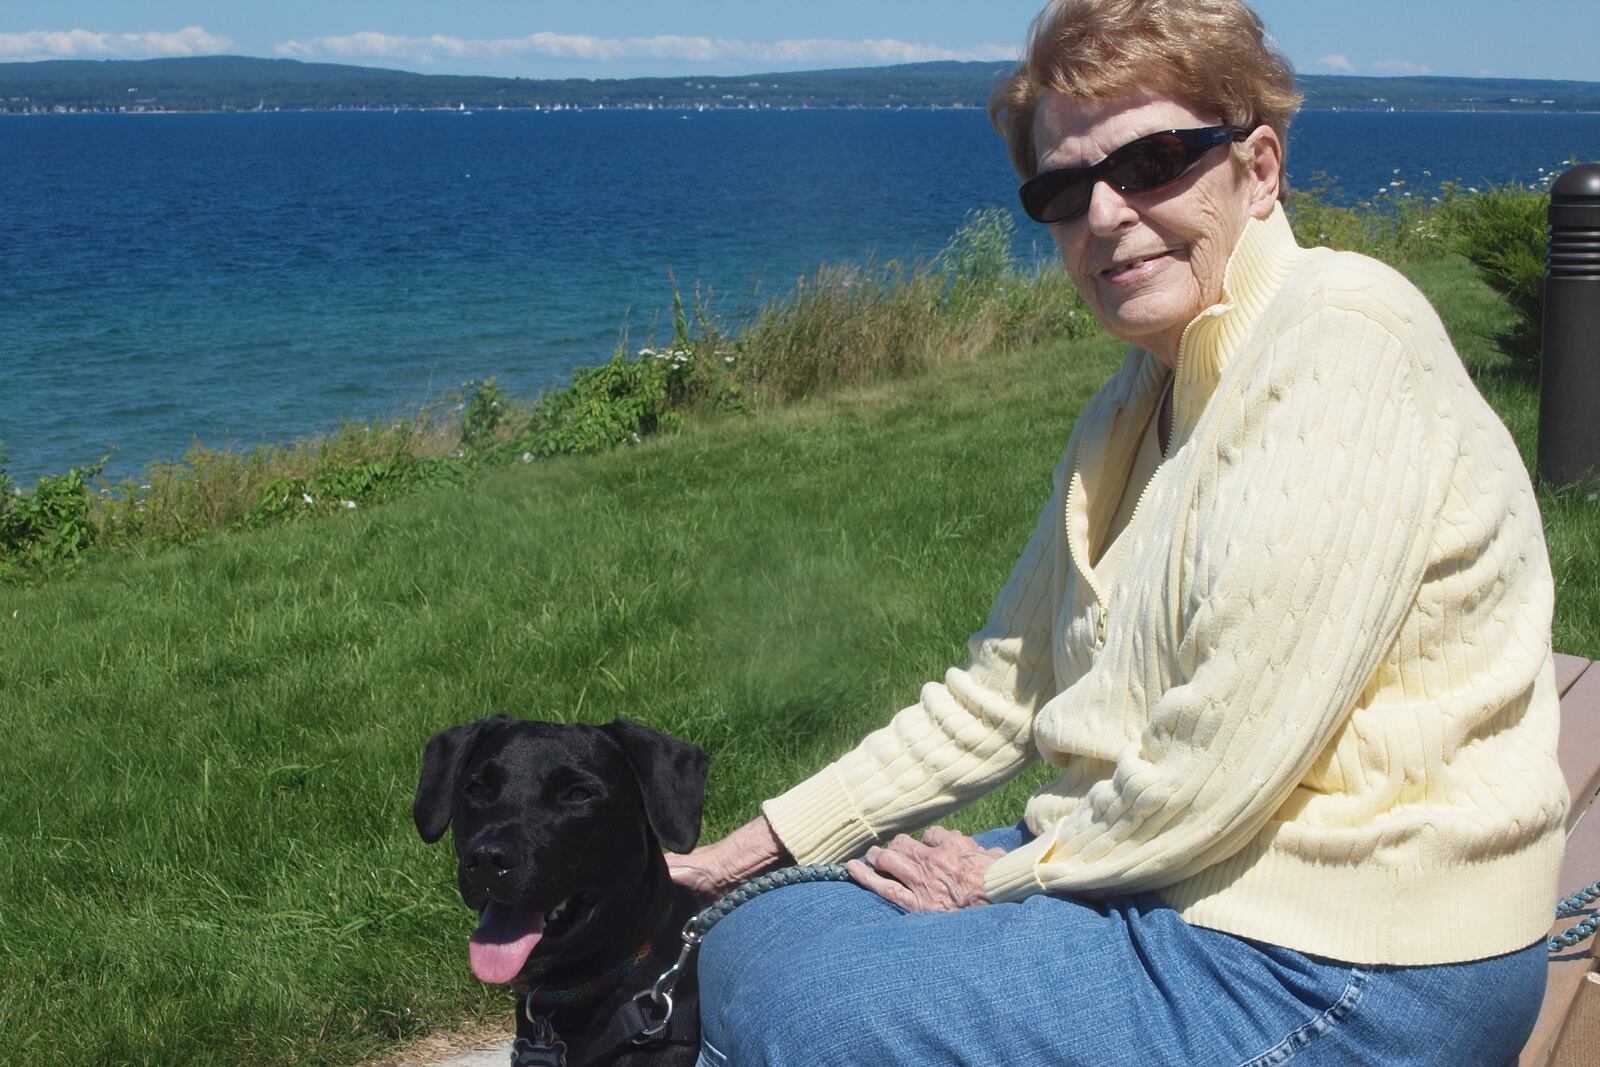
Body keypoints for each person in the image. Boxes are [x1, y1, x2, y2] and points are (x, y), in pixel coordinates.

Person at [668, 1, 1567, 1063]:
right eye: (1061, 188)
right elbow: (1001, 689)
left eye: (1152, 161)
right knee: (743, 932)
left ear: (1260, 166)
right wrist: (745, 851)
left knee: (806, 1014)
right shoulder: (1138, 398)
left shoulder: (1341, 338)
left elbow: (1226, 750)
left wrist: (1003, 878)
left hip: (1346, 949)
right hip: (1184, 873)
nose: (1102, 214)